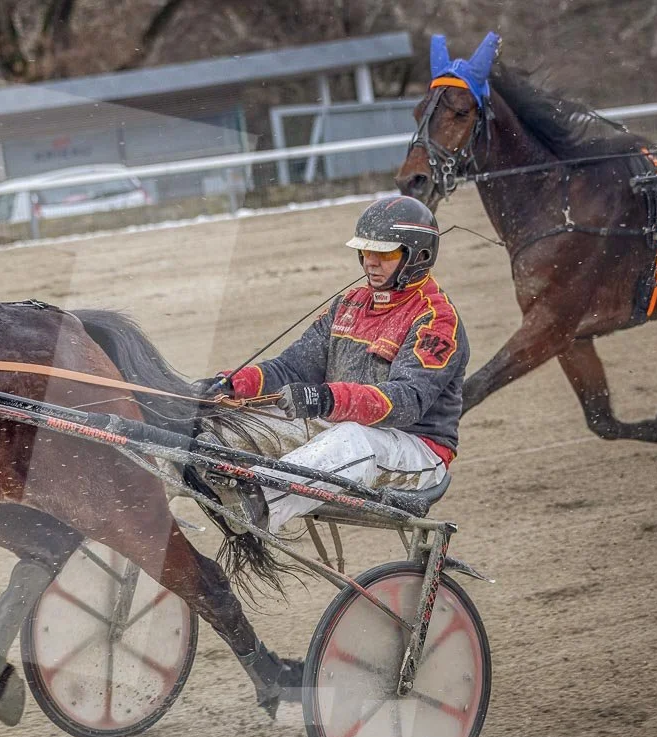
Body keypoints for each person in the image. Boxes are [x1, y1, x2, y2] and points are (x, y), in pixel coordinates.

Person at [199, 195, 468, 534]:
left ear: (419, 256)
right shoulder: (348, 305)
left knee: (353, 437)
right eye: (365, 251)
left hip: (416, 450)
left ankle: (258, 503)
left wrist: (326, 398)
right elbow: (291, 368)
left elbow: (405, 403)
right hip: (340, 429)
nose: (370, 263)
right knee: (225, 423)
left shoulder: (436, 319)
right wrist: (231, 384)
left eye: (384, 254)